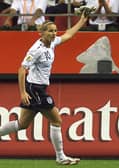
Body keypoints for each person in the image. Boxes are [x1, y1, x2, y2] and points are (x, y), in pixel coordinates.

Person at [0, 9, 89, 165]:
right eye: (50, 31)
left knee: (22, 124)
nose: (54, 34)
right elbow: (21, 69)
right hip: (35, 89)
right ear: (41, 33)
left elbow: (68, 34)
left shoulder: (52, 42)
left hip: (37, 88)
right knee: (57, 120)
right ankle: (60, 157)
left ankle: (60, 157)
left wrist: (82, 20)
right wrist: (22, 93)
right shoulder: (36, 50)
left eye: (55, 31)